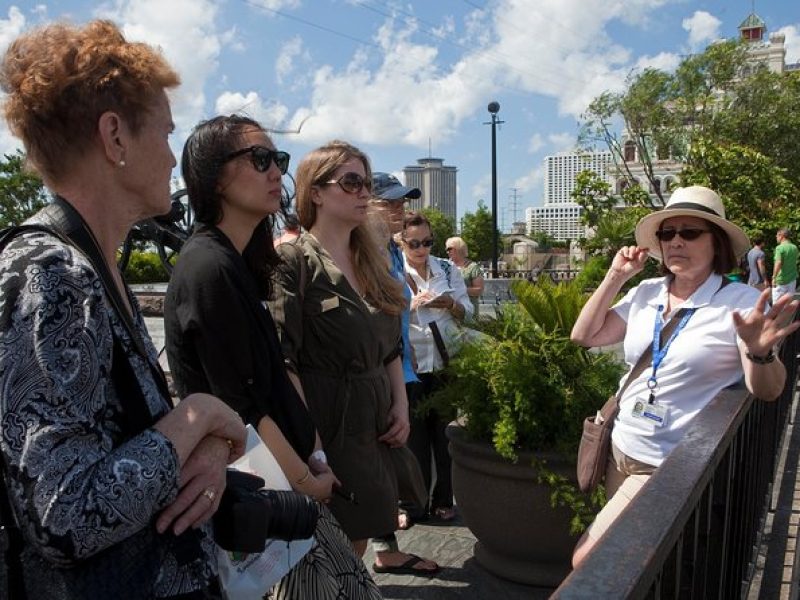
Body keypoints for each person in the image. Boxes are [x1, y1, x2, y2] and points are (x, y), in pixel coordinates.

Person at [0, 21, 247, 598]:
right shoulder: (52, 274)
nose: (171, 157)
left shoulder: (89, 263)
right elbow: (65, 515)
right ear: (114, 137)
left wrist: (207, 444)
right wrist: (203, 413)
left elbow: (123, 431)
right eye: (164, 133)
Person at [164, 115, 381, 598]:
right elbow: (241, 405)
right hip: (271, 494)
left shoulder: (236, 262)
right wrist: (306, 480)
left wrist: (315, 456)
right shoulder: (208, 268)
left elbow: (273, 380)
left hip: (290, 481)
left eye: (278, 160)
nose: (275, 172)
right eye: (259, 159)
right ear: (213, 175)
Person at [570, 186, 800, 567]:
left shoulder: (739, 303)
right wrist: (615, 276)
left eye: (689, 232)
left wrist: (760, 353)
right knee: (637, 565)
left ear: (717, 243)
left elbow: (770, 390)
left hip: (666, 465)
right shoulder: (647, 292)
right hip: (620, 449)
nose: (676, 241)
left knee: (588, 560)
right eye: (667, 233)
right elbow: (585, 335)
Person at [269, 141, 439, 575]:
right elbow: (283, 359)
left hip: (373, 421)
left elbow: (390, 348)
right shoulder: (293, 260)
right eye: (351, 181)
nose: (364, 191)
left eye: (365, 181)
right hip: (326, 417)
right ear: (317, 192)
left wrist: (400, 405)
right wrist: (312, 445)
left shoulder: (372, 260)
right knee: (320, 546)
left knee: (358, 534)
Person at [403, 212, 473, 523]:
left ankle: (444, 499)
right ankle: (411, 504)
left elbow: (468, 313)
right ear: (401, 242)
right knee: (412, 437)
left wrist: (450, 304)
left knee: (444, 437)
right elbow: (380, 313)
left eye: (428, 242)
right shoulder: (393, 270)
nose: (422, 249)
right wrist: (410, 306)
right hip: (411, 364)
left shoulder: (446, 269)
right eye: (414, 243)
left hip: (446, 360)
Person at [368, 173, 427, 538]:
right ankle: (381, 541)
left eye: (402, 202)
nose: (399, 209)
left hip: (399, 365)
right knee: (382, 457)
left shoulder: (391, 249)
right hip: (379, 370)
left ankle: (386, 541)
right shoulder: (363, 251)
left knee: (393, 452)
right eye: (390, 202)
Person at [446, 236, 484, 318]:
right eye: (447, 249)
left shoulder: (473, 267)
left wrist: (458, 290)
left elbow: (479, 290)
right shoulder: (446, 267)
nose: (447, 252)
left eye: (449, 249)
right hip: (449, 314)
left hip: (468, 312)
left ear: (458, 249)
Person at [772, 228, 798, 303]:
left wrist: (774, 277)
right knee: (788, 304)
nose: (776, 237)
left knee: (776, 305)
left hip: (781, 280)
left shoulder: (779, 248)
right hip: (792, 279)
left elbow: (778, 262)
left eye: (777, 235)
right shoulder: (794, 247)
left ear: (781, 236)